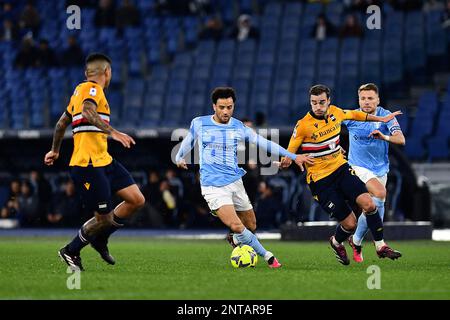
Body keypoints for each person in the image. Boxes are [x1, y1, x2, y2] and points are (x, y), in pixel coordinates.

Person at [175, 87, 312, 268]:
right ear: (214, 106)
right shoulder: (199, 123)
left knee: (251, 224)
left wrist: (294, 157)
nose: (226, 111)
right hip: (212, 186)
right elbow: (189, 140)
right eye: (222, 107)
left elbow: (264, 143)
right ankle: (268, 256)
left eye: (229, 107)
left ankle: (237, 240)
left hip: (235, 181)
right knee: (236, 224)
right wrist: (179, 156)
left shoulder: (239, 127)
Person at [280, 84, 402, 265]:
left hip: (341, 169)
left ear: (329, 101)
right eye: (314, 103)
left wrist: (382, 119)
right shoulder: (303, 125)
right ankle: (336, 242)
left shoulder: (336, 112)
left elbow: (356, 114)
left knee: (369, 204)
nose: (318, 107)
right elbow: (289, 154)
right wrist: (291, 159)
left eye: (322, 102)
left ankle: (380, 245)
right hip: (320, 181)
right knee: (350, 224)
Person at [44, 53, 145, 271]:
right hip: (88, 165)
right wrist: (114, 132)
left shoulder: (76, 93)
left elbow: (61, 124)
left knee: (136, 200)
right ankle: (70, 250)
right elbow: (88, 112)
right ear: (107, 72)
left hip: (104, 160)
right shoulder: (92, 90)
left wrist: (55, 151)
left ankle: (100, 239)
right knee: (103, 218)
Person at [343, 83, 406, 262]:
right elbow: (331, 130)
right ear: (359, 100)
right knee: (379, 193)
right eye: (363, 98)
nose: (366, 102)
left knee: (373, 207)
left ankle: (355, 241)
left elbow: (401, 139)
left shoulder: (386, 116)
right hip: (357, 166)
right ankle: (380, 245)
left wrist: (384, 136)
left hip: (380, 169)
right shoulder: (352, 116)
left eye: (370, 98)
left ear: (378, 100)